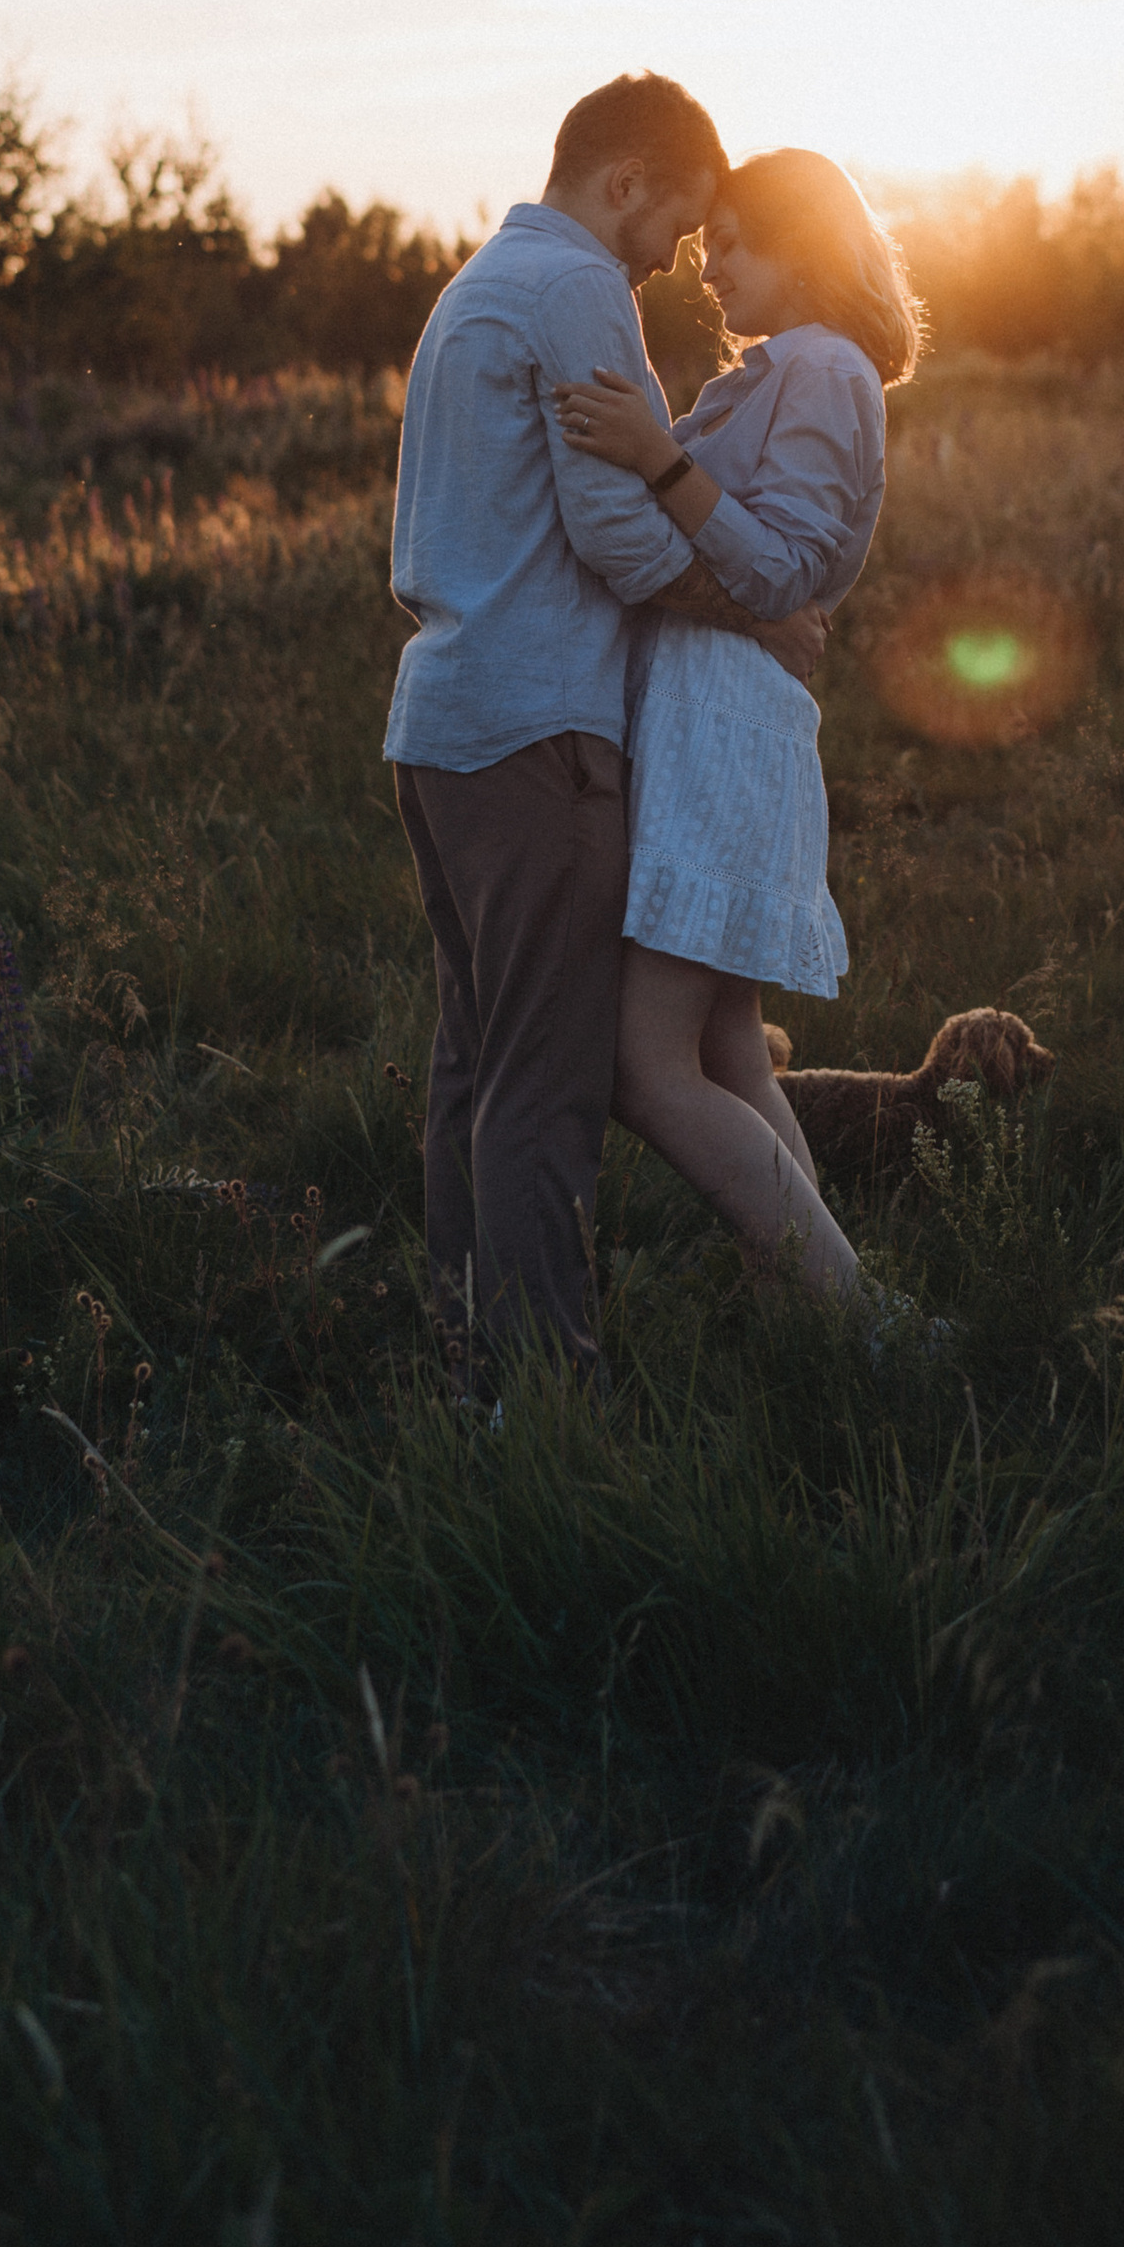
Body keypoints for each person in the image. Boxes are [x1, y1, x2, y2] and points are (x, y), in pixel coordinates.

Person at [384, 74, 830, 1392]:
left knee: (476, 1069)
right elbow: (621, 533)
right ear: (626, 181)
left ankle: (469, 1371)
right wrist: (759, 609)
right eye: (680, 222)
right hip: (536, 740)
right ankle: (544, 1399)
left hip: (441, 730)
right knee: (545, 1086)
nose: (678, 258)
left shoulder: (474, 289)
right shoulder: (578, 290)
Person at [551, 147, 923, 1303]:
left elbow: (784, 574)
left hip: (723, 724)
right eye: (708, 246)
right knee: (721, 1051)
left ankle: (861, 1319)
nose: (711, 272)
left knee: (641, 1065)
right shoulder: (785, 369)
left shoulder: (824, 370)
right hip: (712, 714)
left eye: (738, 245)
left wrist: (657, 455)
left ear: (803, 246)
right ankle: (817, 1311)